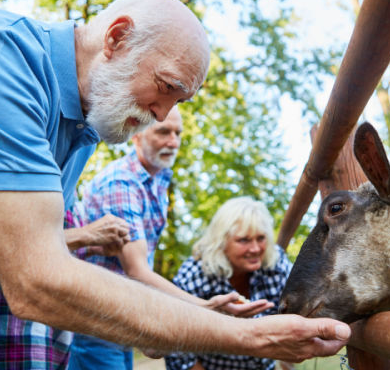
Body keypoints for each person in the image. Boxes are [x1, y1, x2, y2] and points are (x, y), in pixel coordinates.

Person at [0, 0, 351, 369]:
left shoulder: (81, 129)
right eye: (165, 86)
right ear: (117, 37)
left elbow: (30, 246)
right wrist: (255, 337)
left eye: (179, 100)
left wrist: (191, 312)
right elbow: (35, 278)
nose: (162, 113)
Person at [68, 108, 273, 370]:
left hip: (118, 314)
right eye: (163, 131)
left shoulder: (156, 182)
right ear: (136, 135)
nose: (173, 142)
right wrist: (203, 307)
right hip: (95, 316)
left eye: (177, 133)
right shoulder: (123, 183)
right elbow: (137, 270)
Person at [0, 211, 130, 369]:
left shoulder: (65, 188)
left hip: (44, 345)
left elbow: (49, 253)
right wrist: (84, 235)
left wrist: (89, 248)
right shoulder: (6, 175)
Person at [165, 197, 293, 370]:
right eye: (244, 240)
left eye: (261, 238)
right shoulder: (196, 274)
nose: (255, 248)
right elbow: (176, 347)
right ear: (222, 242)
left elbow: (294, 313)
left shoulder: (275, 262)